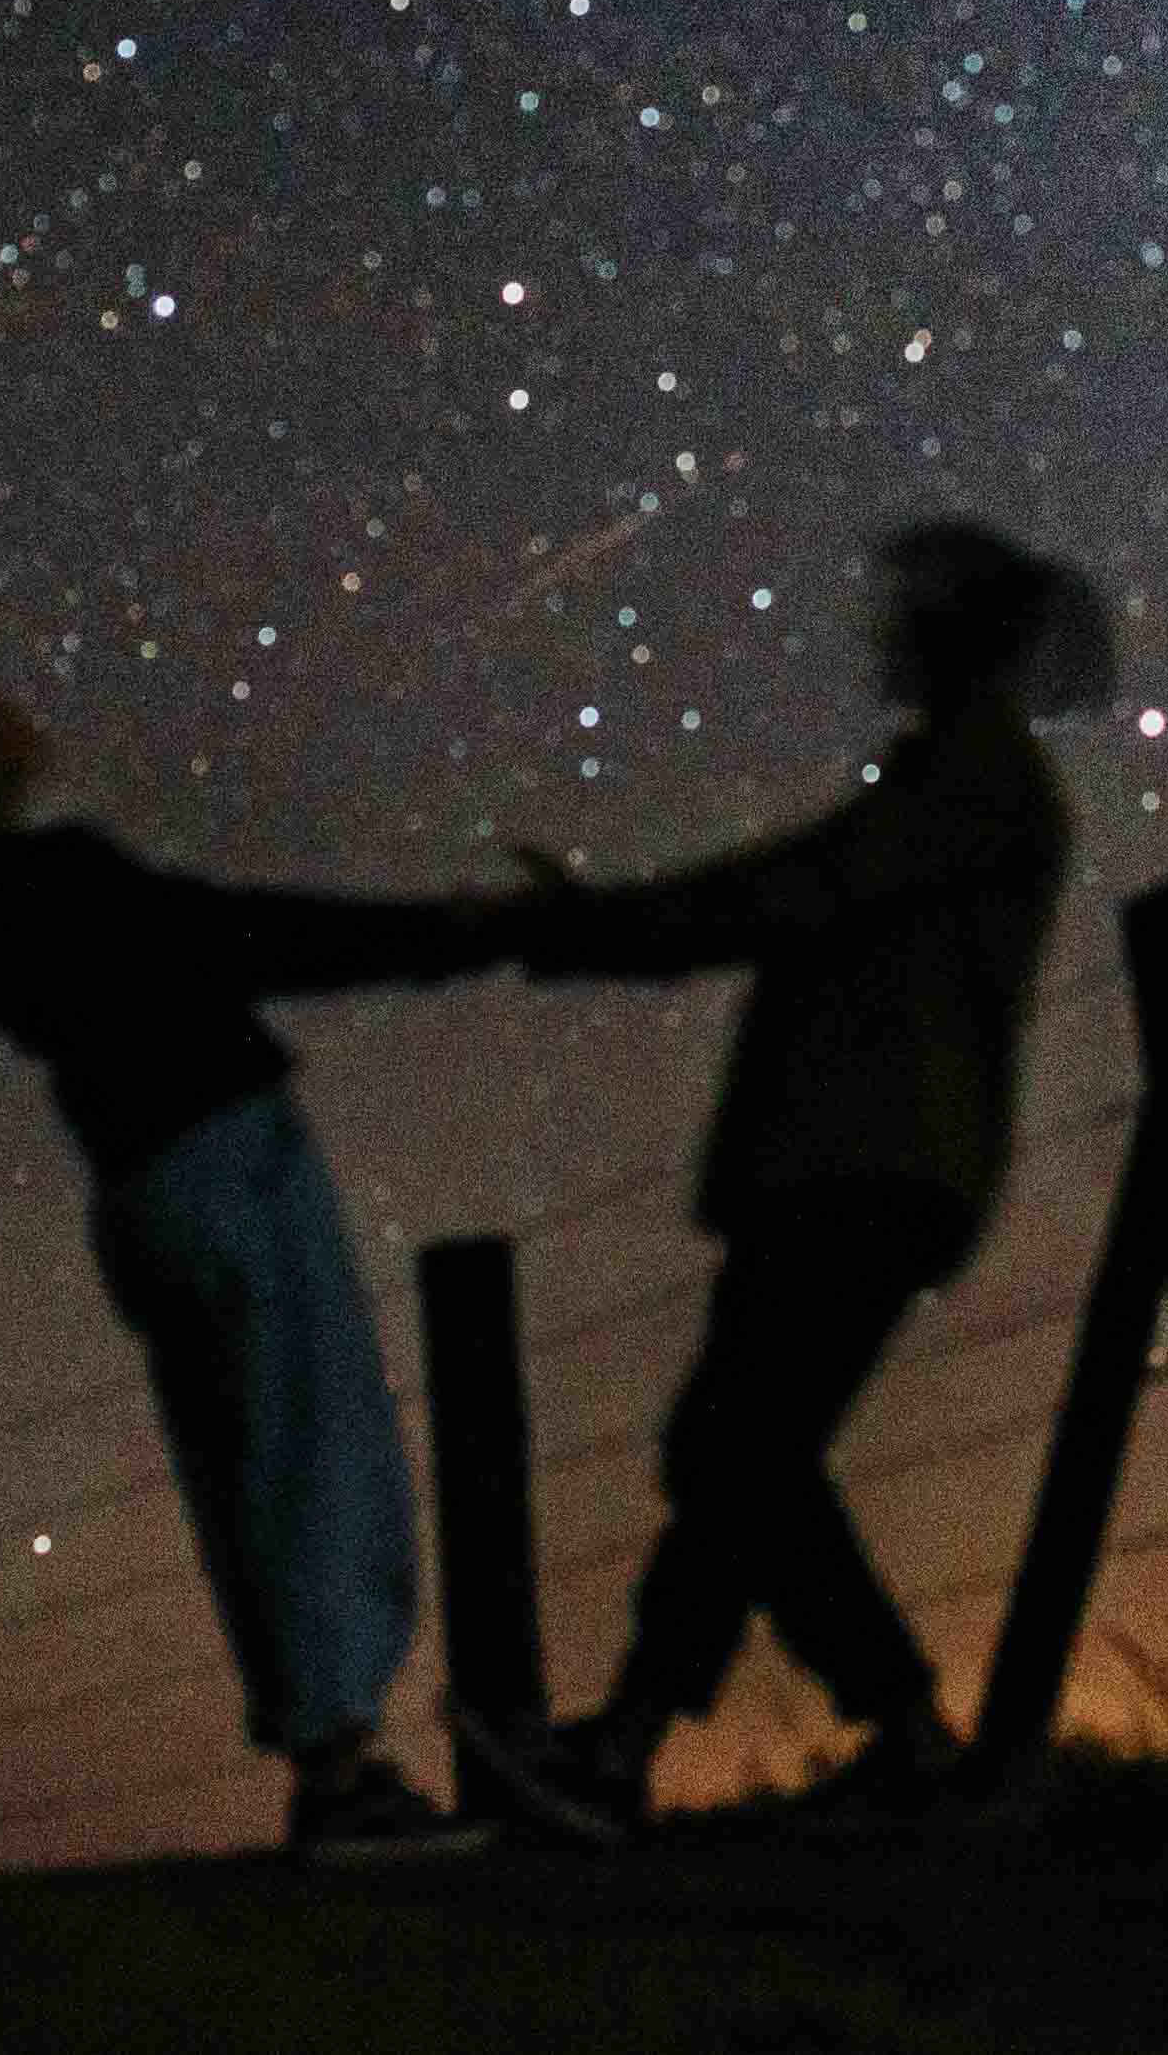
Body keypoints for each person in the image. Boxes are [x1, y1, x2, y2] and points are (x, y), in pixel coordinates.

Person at [466, 518, 1112, 1839]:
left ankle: (734, 1745)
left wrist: (596, 929)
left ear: (953, 634)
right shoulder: (962, 780)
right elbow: (807, 891)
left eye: (908, 614)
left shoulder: (970, 782)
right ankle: (843, 1740)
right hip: (865, 1163)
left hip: (861, 1164)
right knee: (739, 1449)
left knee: (734, 1445)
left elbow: (796, 892)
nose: (882, 632)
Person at [0, 670, 524, 1859]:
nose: (20, 707)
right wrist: (455, 934)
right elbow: (245, 935)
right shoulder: (49, 879)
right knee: (315, 1467)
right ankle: (345, 1783)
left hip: (150, 1194)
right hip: (229, 1170)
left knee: (255, 1478)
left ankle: (333, 1762)